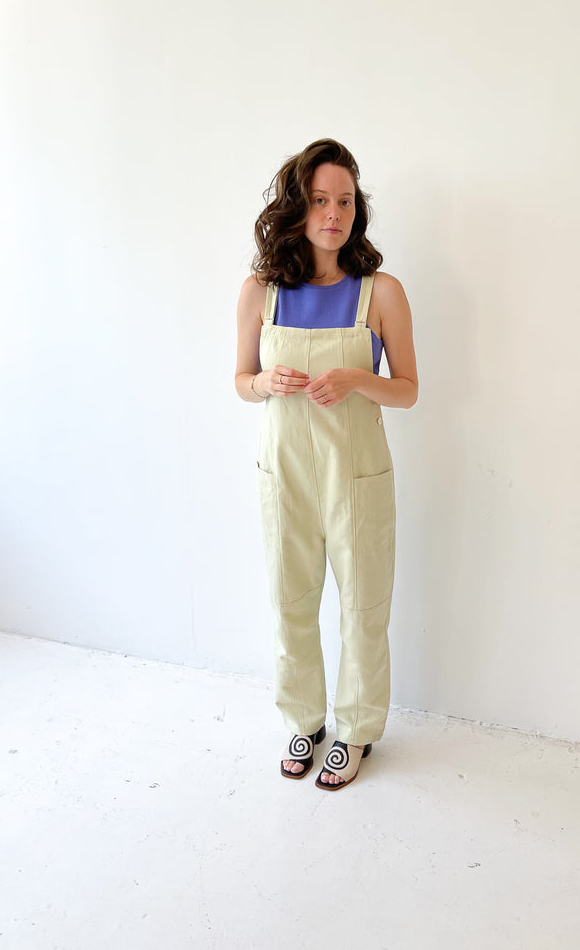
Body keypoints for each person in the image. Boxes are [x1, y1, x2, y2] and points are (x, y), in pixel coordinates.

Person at [235, 139, 417, 790]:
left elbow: (408, 389)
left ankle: (357, 729)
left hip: (356, 476)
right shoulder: (261, 292)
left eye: (344, 201)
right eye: (319, 200)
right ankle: (303, 720)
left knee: (363, 606)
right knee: (290, 600)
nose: (333, 213)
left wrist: (357, 378)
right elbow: (241, 380)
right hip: (284, 473)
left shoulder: (381, 293)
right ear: (298, 207)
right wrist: (265, 383)